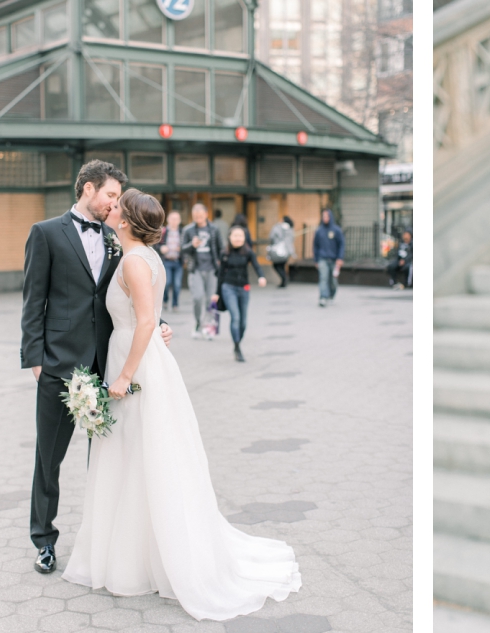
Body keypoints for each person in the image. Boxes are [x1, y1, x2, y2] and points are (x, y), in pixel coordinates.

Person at [61, 189, 300, 619]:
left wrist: (125, 375)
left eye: (117, 206)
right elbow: (148, 317)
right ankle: (136, 552)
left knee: (140, 454)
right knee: (139, 455)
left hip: (135, 363)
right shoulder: (144, 256)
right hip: (142, 354)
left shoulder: (134, 262)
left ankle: (142, 559)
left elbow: (147, 319)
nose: (110, 209)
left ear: (128, 221)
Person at [20, 161, 173, 575]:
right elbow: (34, 302)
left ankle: (99, 540)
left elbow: (130, 297)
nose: (114, 203)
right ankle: (44, 541)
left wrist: (157, 323)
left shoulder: (115, 238)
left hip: (107, 370)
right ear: (88, 189)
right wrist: (35, 361)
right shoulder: (46, 233)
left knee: (104, 460)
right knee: (48, 458)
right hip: (57, 367)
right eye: (110, 195)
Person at [211, 227, 266, 362]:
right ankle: (237, 346)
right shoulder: (225, 253)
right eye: (235, 235)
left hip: (244, 288)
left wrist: (261, 277)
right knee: (235, 317)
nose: (238, 238)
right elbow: (220, 275)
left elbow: (256, 265)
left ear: (244, 238)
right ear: (230, 237)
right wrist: (216, 293)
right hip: (228, 288)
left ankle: (238, 341)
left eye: (240, 236)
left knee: (243, 322)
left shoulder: (248, 252)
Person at [181, 204, 222, 338]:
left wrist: (220, 262)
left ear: (206, 214)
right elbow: (182, 249)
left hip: (211, 269)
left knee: (210, 300)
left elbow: (220, 247)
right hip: (196, 269)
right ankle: (198, 322)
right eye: (195, 215)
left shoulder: (214, 229)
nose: (198, 217)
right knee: (197, 297)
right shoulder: (188, 230)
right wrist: (191, 245)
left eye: (200, 215)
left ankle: (208, 327)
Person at [312, 208, 344, 307]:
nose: (325, 218)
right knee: (323, 278)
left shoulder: (336, 230)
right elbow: (315, 246)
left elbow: (341, 244)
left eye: (327, 216)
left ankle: (331, 295)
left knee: (333, 281)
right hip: (322, 259)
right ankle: (323, 297)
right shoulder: (319, 231)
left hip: (334, 259)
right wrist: (316, 259)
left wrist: (340, 258)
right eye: (323, 216)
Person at [157, 211, 183, 312]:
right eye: (172, 219)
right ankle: (165, 300)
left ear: (179, 221)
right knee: (167, 283)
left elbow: (186, 245)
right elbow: (156, 244)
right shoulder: (163, 231)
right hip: (166, 261)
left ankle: (175, 304)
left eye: (176, 219)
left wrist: (182, 249)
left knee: (177, 284)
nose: (174, 221)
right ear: (168, 220)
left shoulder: (182, 232)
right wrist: (161, 248)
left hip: (178, 261)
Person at [267, 216, 296, 288]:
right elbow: (291, 240)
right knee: (282, 266)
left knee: (276, 265)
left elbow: (271, 237)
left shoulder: (277, 227)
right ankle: (283, 281)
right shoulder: (290, 229)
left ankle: (284, 279)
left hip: (278, 250)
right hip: (287, 251)